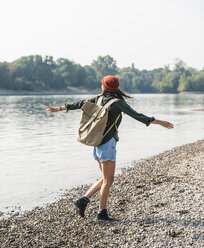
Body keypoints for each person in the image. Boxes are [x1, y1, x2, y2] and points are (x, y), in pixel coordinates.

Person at [45, 75, 174, 221]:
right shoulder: (118, 102)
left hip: (97, 143)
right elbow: (137, 116)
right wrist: (160, 122)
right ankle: (101, 213)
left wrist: (60, 108)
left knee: (106, 179)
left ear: (104, 86)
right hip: (107, 145)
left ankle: (83, 200)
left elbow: (81, 103)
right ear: (116, 87)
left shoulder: (98, 99)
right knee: (108, 180)